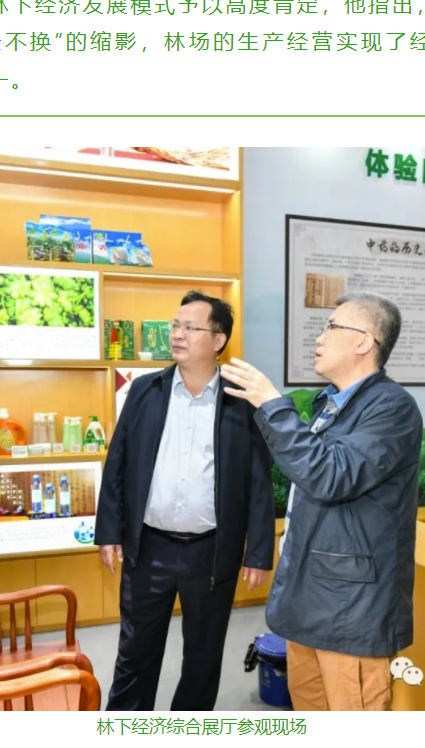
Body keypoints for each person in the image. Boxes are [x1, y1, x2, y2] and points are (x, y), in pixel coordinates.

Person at [220, 291, 423, 711]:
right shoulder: (330, 403)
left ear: (364, 341)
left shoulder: (392, 408)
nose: (319, 336)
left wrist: (272, 405)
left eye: (331, 327)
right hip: (311, 598)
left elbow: (331, 475)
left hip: (351, 608)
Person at [95, 291, 275, 711]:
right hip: (148, 548)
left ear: (218, 340)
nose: (177, 334)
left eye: (190, 328)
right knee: (135, 653)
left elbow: (258, 480)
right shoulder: (146, 390)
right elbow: (117, 462)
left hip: (212, 552)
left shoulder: (241, 400)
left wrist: (258, 552)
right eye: (175, 326)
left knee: (203, 658)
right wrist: (109, 532)